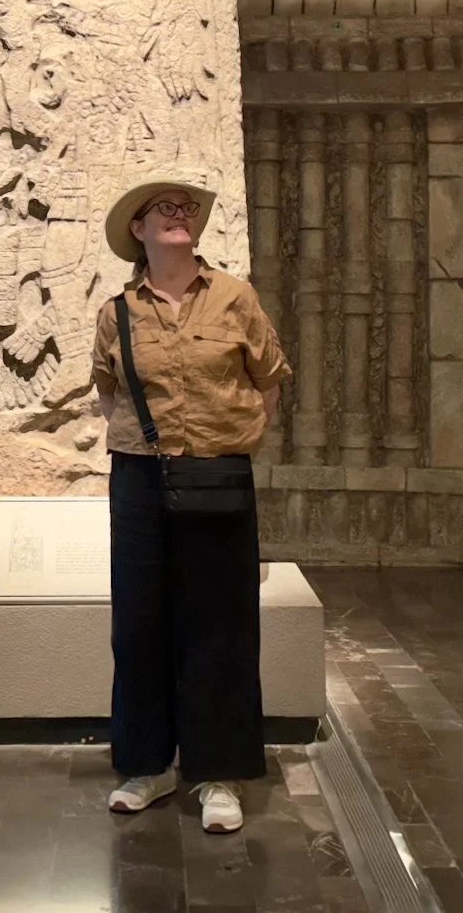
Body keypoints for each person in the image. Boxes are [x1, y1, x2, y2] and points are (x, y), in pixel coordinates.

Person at [92, 179, 290, 835]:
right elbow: (109, 394)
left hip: (217, 474)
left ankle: (217, 771)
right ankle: (147, 764)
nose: (181, 216)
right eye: (166, 209)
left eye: (188, 209)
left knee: (221, 625)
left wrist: (229, 438)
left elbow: (269, 381)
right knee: (139, 624)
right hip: (139, 479)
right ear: (139, 230)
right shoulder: (117, 312)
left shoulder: (236, 298)